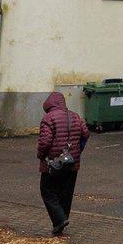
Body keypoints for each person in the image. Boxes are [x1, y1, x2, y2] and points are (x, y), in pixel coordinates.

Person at [36, 90, 88, 235]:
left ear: (49, 105)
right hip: (72, 163)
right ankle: (61, 221)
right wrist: (78, 151)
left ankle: (59, 220)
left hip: (53, 163)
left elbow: (45, 142)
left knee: (47, 191)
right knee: (66, 192)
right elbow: (86, 134)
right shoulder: (75, 116)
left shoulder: (48, 118)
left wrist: (40, 156)